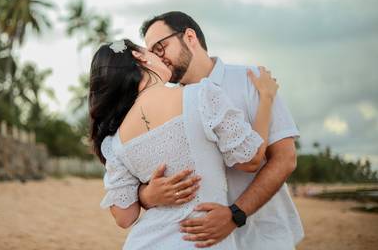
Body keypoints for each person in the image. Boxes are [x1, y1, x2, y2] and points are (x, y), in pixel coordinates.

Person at [89, 38, 278, 249]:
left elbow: (125, 217)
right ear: (139, 57)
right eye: (151, 51)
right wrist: (266, 99)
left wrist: (146, 195)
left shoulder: (115, 141)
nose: (159, 56)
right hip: (200, 241)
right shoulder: (201, 95)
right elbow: (251, 160)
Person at [137, 11, 303, 249]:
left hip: (262, 236)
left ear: (190, 37)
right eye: (152, 54)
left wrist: (236, 214)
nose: (157, 59)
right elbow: (141, 173)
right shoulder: (162, 105)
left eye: (160, 47)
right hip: (194, 241)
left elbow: (285, 159)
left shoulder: (252, 80)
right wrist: (146, 195)